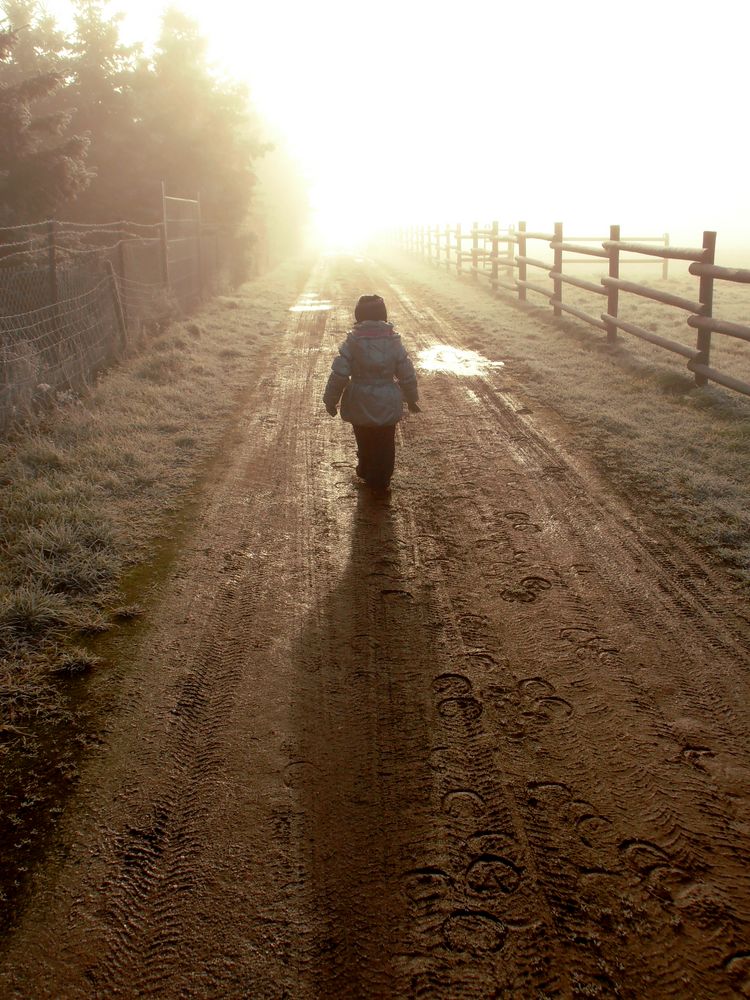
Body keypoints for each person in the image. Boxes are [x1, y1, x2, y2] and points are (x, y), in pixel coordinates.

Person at [323, 294, 420, 490]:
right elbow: (406, 373)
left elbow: (339, 374)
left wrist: (330, 400)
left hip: (359, 398)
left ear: (358, 316)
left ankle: (366, 467)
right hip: (387, 398)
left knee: (364, 438)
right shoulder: (393, 342)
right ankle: (383, 476)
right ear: (383, 315)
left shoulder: (352, 342)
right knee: (386, 440)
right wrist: (411, 398)